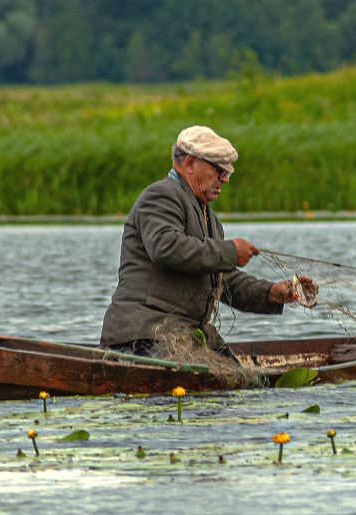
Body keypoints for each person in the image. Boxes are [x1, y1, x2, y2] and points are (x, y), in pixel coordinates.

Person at [100, 125, 315, 357]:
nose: (225, 180)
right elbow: (166, 247)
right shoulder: (161, 196)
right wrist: (231, 252)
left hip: (183, 337)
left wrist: (272, 293)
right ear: (190, 164)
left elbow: (223, 282)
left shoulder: (210, 218)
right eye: (219, 171)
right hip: (140, 337)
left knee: (243, 383)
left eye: (228, 173)